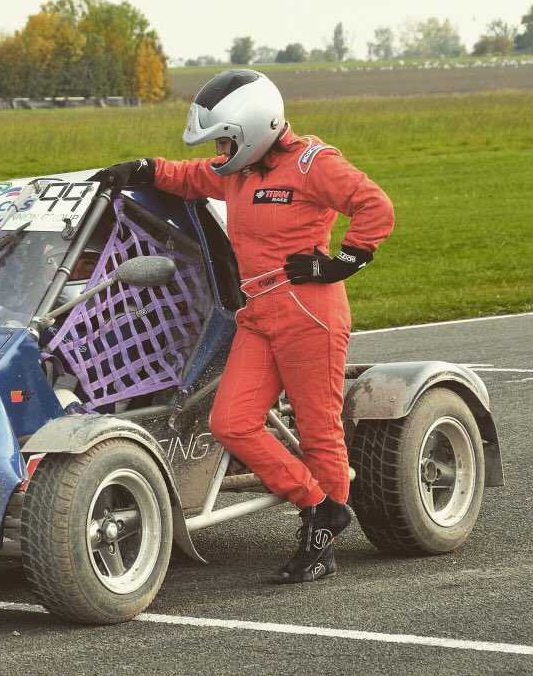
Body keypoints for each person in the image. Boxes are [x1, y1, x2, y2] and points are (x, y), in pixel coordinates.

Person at [92, 69, 395, 583]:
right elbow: (188, 176)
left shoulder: (313, 163)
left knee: (319, 429)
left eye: (227, 136)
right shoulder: (238, 170)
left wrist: (341, 262)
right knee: (231, 423)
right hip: (256, 315)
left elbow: (375, 207)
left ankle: (319, 540)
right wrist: (142, 169)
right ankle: (320, 503)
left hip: (309, 312)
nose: (222, 147)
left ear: (253, 126)